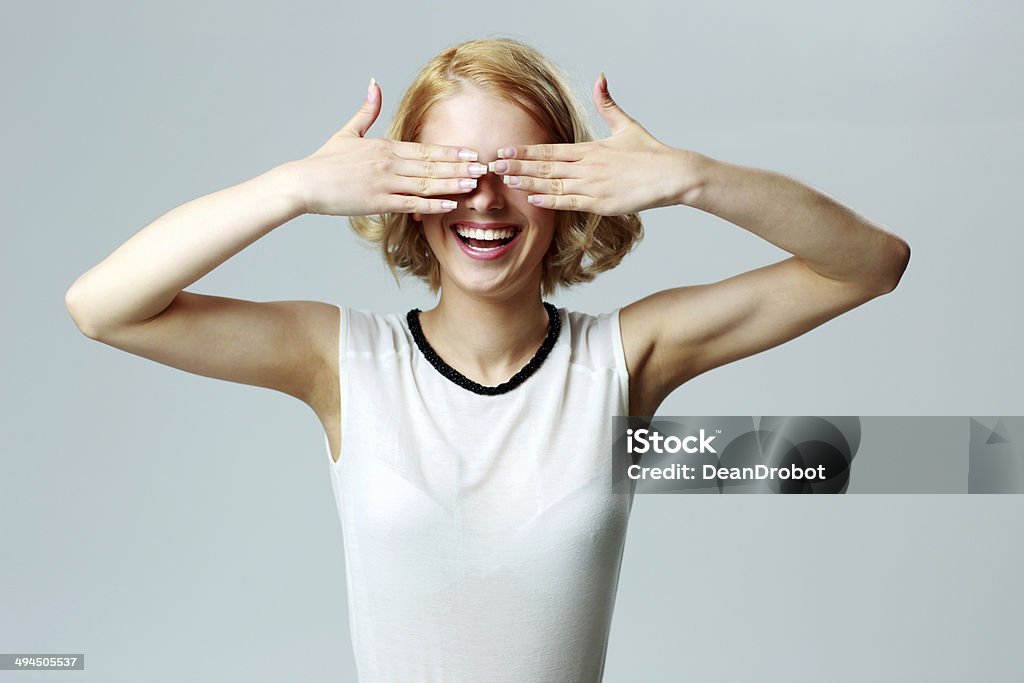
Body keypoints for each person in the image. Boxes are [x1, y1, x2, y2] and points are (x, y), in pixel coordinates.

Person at [65, 37, 909, 682]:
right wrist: (294, 187)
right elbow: (101, 307)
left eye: (515, 168)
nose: (484, 198)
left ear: (571, 183)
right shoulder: (341, 359)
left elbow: (871, 264)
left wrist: (691, 177)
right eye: (450, 169)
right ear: (401, 184)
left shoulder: (625, 358)